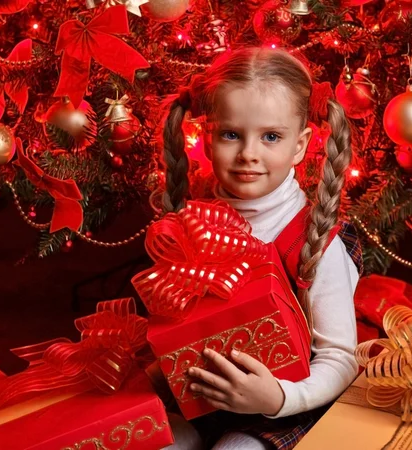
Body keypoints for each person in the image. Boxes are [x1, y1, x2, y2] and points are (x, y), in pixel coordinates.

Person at [159, 46, 362, 450]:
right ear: (206, 137)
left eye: (271, 136)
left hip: (290, 402)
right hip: (205, 396)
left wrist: (280, 398)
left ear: (301, 145)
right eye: (231, 134)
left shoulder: (315, 241)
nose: (248, 154)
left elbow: (341, 359)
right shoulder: (193, 226)